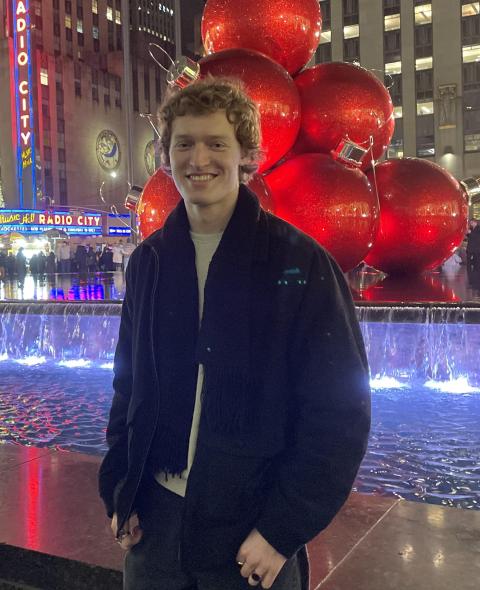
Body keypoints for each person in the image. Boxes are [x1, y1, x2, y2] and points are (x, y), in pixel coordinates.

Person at [98, 78, 371, 590]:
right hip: (154, 529)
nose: (199, 158)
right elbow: (127, 386)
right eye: (184, 143)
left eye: (216, 143)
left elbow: (340, 413)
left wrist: (281, 530)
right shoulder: (150, 262)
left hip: (251, 531)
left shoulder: (300, 263)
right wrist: (120, 487)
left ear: (247, 155)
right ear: (166, 155)